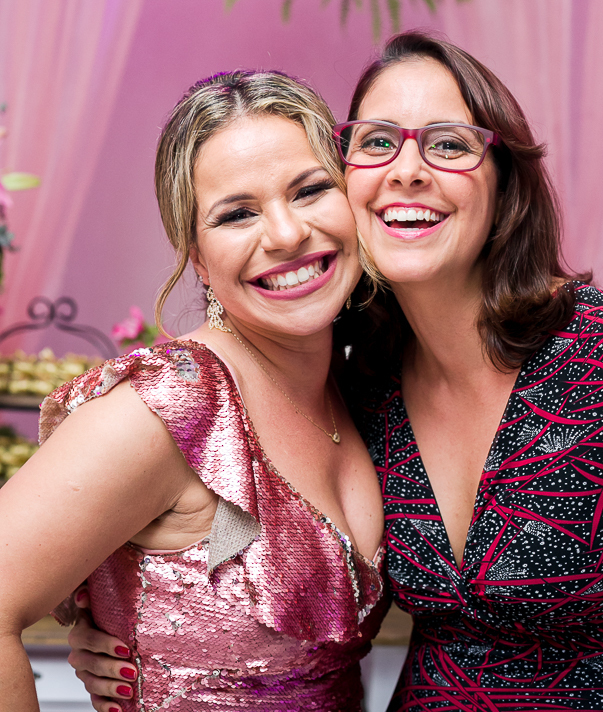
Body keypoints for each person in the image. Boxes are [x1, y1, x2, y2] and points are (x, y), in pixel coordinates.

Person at [74, 32, 603, 712]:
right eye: (378, 142)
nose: (407, 170)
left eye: (449, 144)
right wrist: (141, 632)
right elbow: (233, 548)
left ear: (505, 181)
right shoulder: (363, 382)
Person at [0, 70, 388, 712]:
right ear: (198, 257)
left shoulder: (359, 384)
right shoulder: (168, 405)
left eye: (311, 190)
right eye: (237, 214)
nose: (286, 234)